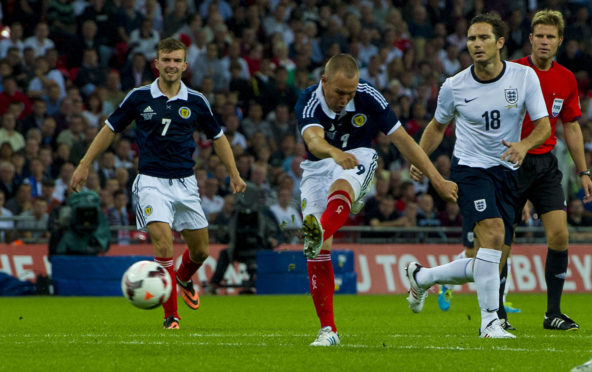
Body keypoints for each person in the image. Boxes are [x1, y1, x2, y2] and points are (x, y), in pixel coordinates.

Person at [69, 38, 246, 330]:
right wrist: (84, 164)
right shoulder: (139, 97)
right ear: (157, 63)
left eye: (177, 60)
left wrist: (234, 173)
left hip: (186, 183)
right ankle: (171, 316)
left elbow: (218, 138)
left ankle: (184, 277)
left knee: (201, 251)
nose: (171, 65)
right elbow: (109, 129)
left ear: (185, 65)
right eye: (166, 60)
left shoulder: (196, 101)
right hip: (151, 181)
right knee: (164, 243)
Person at [441, 10, 592, 331]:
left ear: (560, 41)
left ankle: (553, 312)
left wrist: (583, 172)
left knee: (560, 235)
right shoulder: (514, 71)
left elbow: (572, 127)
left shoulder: (566, 79)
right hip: (507, 164)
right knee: (499, 244)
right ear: (530, 39)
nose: (544, 42)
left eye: (551, 37)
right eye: (539, 35)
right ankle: (495, 314)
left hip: (545, 163)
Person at [295, 53, 458, 346]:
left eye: (350, 92)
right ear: (324, 81)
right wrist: (333, 153)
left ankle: (323, 227)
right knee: (320, 248)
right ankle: (328, 331)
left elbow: (404, 140)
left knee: (341, 189)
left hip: (359, 155)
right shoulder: (307, 100)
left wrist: (437, 178)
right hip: (318, 165)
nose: (345, 98)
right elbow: (314, 141)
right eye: (339, 92)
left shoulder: (368, 95)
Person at [406, 13, 551, 339]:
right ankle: (489, 322)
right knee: (494, 235)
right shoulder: (454, 86)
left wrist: (524, 145)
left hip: (509, 171)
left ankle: (423, 277)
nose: (476, 44)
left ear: (500, 42)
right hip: (470, 170)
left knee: (489, 259)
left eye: (484, 38)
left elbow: (544, 125)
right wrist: (422, 155)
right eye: (472, 39)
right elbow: (438, 126)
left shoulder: (524, 77)